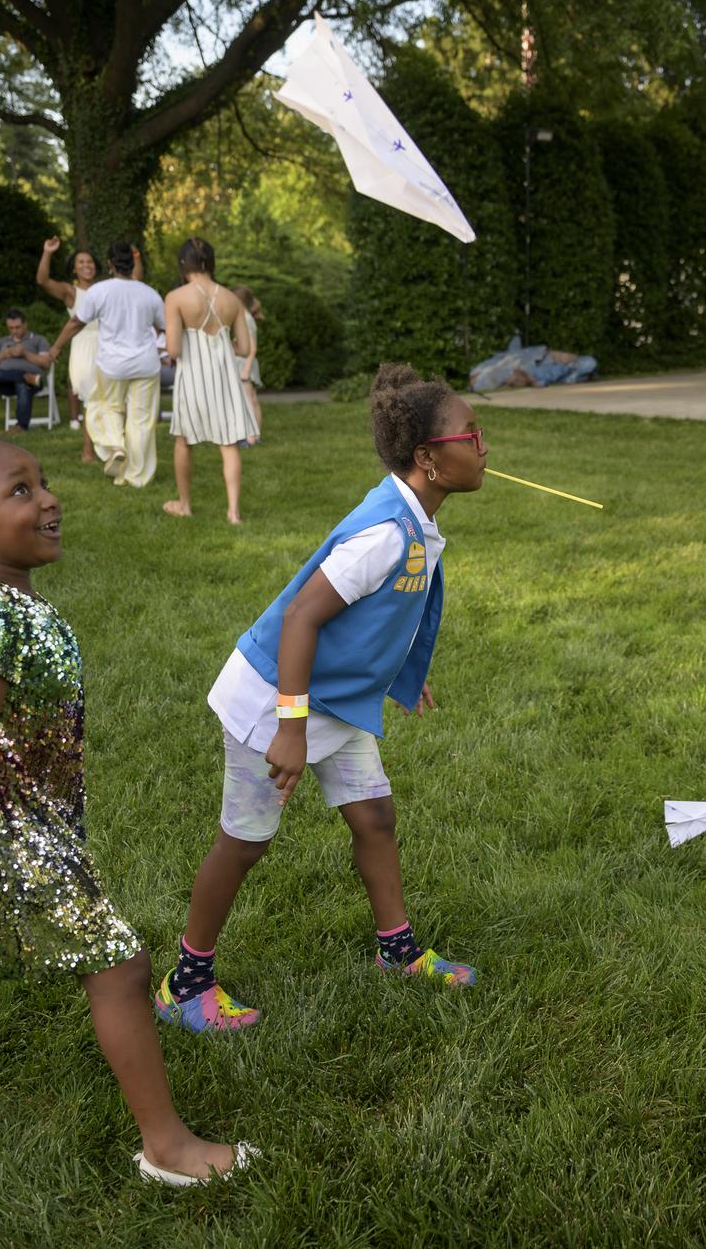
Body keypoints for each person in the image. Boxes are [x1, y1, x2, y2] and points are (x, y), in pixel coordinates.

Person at [0, 426, 259, 1186]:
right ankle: (168, 1150)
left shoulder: (1, 593)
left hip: (17, 811)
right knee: (117, 964)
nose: (48, 499)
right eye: (20, 490)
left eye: (41, 481)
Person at [155, 363, 483, 1034]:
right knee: (244, 842)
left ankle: (396, 952)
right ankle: (184, 982)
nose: (483, 447)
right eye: (470, 436)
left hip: (329, 703)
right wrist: (291, 727)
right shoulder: (385, 531)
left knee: (374, 816)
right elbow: (304, 616)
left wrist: (397, 671)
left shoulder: (413, 519)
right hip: (276, 701)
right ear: (427, 458)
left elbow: (378, 616)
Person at [48, 241, 163, 489]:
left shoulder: (100, 291)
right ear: (132, 264)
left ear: (110, 265)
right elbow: (164, 327)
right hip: (145, 363)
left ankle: (114, 445)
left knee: (103, 406)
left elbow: (76, 323)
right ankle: (136, 477)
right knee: (140, 420)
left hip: (113, 364)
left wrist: (56, 347)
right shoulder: (149, 293)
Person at [163, 238, 257, 525]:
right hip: (225, 379)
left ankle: (185, 504)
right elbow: (243, 347)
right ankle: (233, 512)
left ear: (183, 263)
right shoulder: (232, 299)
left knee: (183, 441)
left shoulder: (176, 297)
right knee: (229, 444)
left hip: (192, 377)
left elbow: (174, 350)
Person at [36, 237, 100, 461]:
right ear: (74, 268)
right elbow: (42, 280)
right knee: (91, 399)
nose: (86, 266)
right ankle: (87, 451)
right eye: (81, 262)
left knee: (110, 398)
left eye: (90, 262)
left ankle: (109, 446)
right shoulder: (70, 292)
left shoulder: (105, 290)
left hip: (108, 344)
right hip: (84, 345)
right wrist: (47, 252)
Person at [0, 310, 51, 433]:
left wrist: (25, 353)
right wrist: (4, 355)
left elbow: (46, 363)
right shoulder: (2, 341)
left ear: (25, 324)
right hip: (6, 382)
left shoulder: (39, 340)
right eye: (11, 328)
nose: (14, 331)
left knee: (22, 384)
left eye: (17, 327)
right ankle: (24, 376)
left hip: (33, 384)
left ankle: (21, 427)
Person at [231, 286, 263, 445]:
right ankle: (256, 435)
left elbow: (252, 347)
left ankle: (250, 437)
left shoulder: (244, 318)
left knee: (248, 400)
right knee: (252, 399)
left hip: (245, 364)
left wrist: (245, 370)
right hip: (248, 364)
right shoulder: (246, 317)